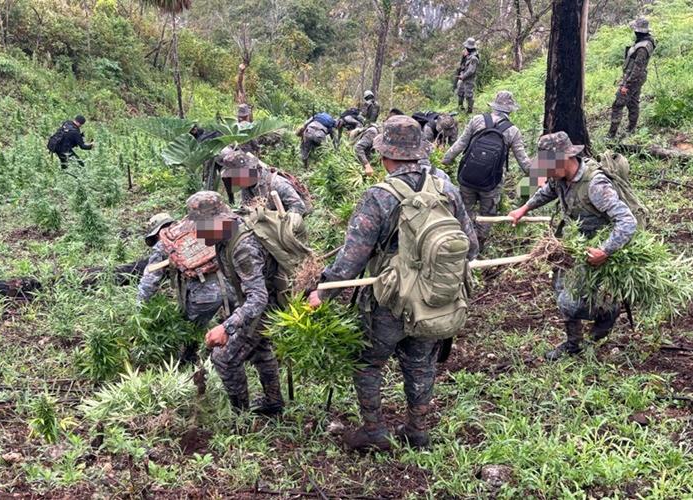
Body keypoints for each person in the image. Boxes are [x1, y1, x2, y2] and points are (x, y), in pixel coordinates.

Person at [308, 116, 479, 452]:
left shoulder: (379, 196)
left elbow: (351, 259)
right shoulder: (445, 187)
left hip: (389, 301)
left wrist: (322, 291)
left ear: (386, 156)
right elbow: (470, 245)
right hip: (434, 298)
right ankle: (416, 430)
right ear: (419, 152)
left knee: (368, 361)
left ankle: (374, 431)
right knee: (420, 362)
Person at [508, 132, 637, 361]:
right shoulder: (559, 177)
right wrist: (524, 208)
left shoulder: (595, 184)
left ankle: (608, 311)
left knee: (569, 302)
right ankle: (574, 343)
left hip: (596, 250)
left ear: (565, 159)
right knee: (560, 290)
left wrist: (605, 251)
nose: (545, 172)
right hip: (574, 245)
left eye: (548, 166)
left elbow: (627, 221)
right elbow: (547, 191)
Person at [193, 191, 285, 416]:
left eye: (201, 226)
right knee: (261, 351)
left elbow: (258, 298)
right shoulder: (226, 234)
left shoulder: (243, 247)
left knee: (224, 357)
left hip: (265, 307)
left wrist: (227, 326)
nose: (197, 232)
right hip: (259, 304)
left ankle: (240, 415)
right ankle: (273, 403)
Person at [137, 212, 238, 364]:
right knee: (235, 324)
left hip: (204, 296)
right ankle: (240, 354)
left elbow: (149, 280)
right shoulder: (197, 229)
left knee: (189, 330)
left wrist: (140, 307)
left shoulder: (165, 243)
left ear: (157, 232)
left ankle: (189, 362)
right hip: (231, 286)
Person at [442, 90, 532, 247]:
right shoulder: (513, 131)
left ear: (494, 106)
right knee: (488, 214)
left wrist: (445, 160)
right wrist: (542, 174)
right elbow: (523, 161)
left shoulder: (477, 120)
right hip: (492, 183)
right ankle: (479, 245)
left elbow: (460, 144)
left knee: (464, 211)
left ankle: (462, 243)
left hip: (467, 177)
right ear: (510, 110)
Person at [608, 18, 656, 138]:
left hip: (633, 79)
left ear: (639, 31)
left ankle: (611, 135)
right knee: (633, 103)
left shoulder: (643, 47)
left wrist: (626, 85)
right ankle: (631, 129)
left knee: (618, 104)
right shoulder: (643, 43)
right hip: (635, 78)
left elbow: (637, 69)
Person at [218, 150, 308, 213]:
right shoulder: (246, 187)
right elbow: (247, 206)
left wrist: (280, 221)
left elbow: (299, 207)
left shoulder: (277, 183)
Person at [455, 38, 480, 113]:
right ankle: (460, 107)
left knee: (469, 94)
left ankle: (469, 110)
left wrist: (463, 76)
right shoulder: (467, 55)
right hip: (463, 77)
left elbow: (471, 70)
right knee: (460, 91)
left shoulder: (474, 58)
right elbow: (462, 66)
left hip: (469, 79)